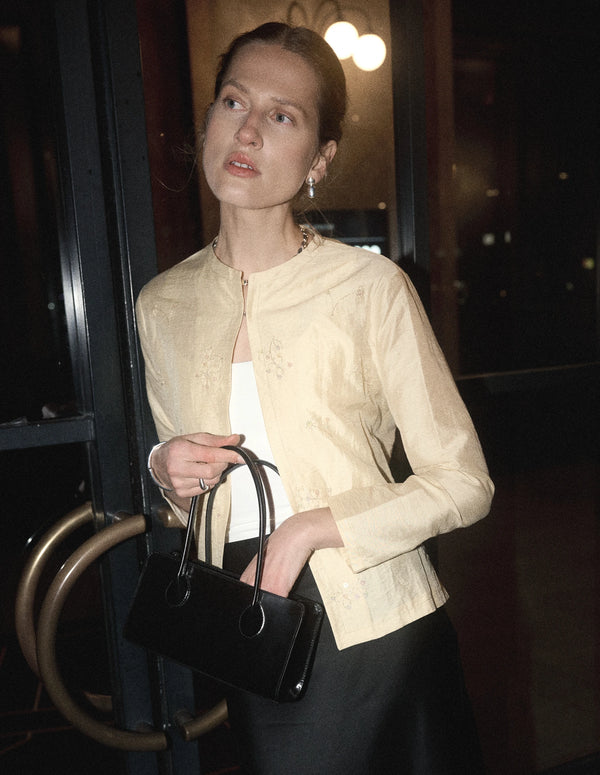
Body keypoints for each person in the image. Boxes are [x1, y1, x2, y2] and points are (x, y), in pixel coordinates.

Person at [136, 21, 494, 775]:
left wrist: (305, 530)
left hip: (377, 619)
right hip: (245, 616)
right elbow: (186, 505)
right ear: (209, 118)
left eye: (282, 115)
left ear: (320, 160)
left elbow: (464, 482)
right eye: (234, 102)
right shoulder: (162, 304)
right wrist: (165, 466)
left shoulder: (369, 288)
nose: (248, 130)